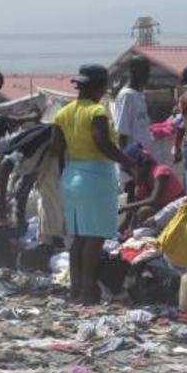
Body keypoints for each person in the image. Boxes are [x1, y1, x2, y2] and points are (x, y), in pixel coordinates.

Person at [52, 64, 135, 304]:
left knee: (79, 238)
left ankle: (75, 290)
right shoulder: (97, 111)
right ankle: (88, 292)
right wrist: (129, 162)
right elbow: (103, 143)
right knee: (95, 237)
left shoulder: (62, 113)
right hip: (95, 177)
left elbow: (56, 148)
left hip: (71, 175)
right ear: (100, 87)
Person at [119, 148, 184, 232]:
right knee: (141, 216)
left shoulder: (161, 172)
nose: (132, 177)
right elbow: (133, 212)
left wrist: (126, 207)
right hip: (163, 212)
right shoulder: (142, 184)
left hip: (178, 209)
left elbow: (154, 200)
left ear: (142, 165)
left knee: (145, 211)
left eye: (131, 173)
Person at [114, 56, 151, 191]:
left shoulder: (139, 95)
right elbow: (122, 134)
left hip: (144, 161)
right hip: (133, 165)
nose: (148, 75)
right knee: (133, 201)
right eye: (144, 71)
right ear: (134, 71)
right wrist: (129, 167)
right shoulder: (126, 96)